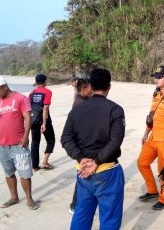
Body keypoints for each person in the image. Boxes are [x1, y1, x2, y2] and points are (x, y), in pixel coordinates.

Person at [61, 68, 126, 229]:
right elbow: (115, 141)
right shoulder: (115, 110)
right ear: (109, 87)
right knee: (109, 218)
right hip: (107, 170)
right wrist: (95, 162)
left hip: (83, 171)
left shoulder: (77, 109)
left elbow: (66, 139)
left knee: (82, 213)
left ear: (90, 85)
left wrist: (81, 158)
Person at [0, 75, 40, 210]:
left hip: (19, 144)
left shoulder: (20, 98)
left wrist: (26, 136)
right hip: (2, 145)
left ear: (5, 86)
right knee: (8, 173)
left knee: (25, 174)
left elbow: (28, 118)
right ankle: (14, 197)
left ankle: (29, 199)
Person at [137, 65, 164, 210]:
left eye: (159, 77)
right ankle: (152, 191)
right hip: (152, 137)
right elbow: (152, 117)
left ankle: (163, 199)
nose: (155, 79)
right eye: (155, 76)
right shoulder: (156, 94)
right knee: (142, 163)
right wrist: (146, 133)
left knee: (163, 171)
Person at [68, 77, 92, 214]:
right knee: (83, 174)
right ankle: (75, 204)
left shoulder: (82, 99)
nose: (92, 90)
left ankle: (78, 202)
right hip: (82, 145)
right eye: (90, 88)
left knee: (85, 173)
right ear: (83, 89)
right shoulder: (80, 103)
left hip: (82, 143)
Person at [29, 73, 55, 171]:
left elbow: (28, 108)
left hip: (33, 121)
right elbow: (45, 107)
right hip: (44, 121)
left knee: (35, 143)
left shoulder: (31, 93)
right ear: (45, 81)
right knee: (51, 140)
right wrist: (44, 123)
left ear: (36, 82)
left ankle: (35, 166)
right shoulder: (47, 92)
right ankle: (45, 162)